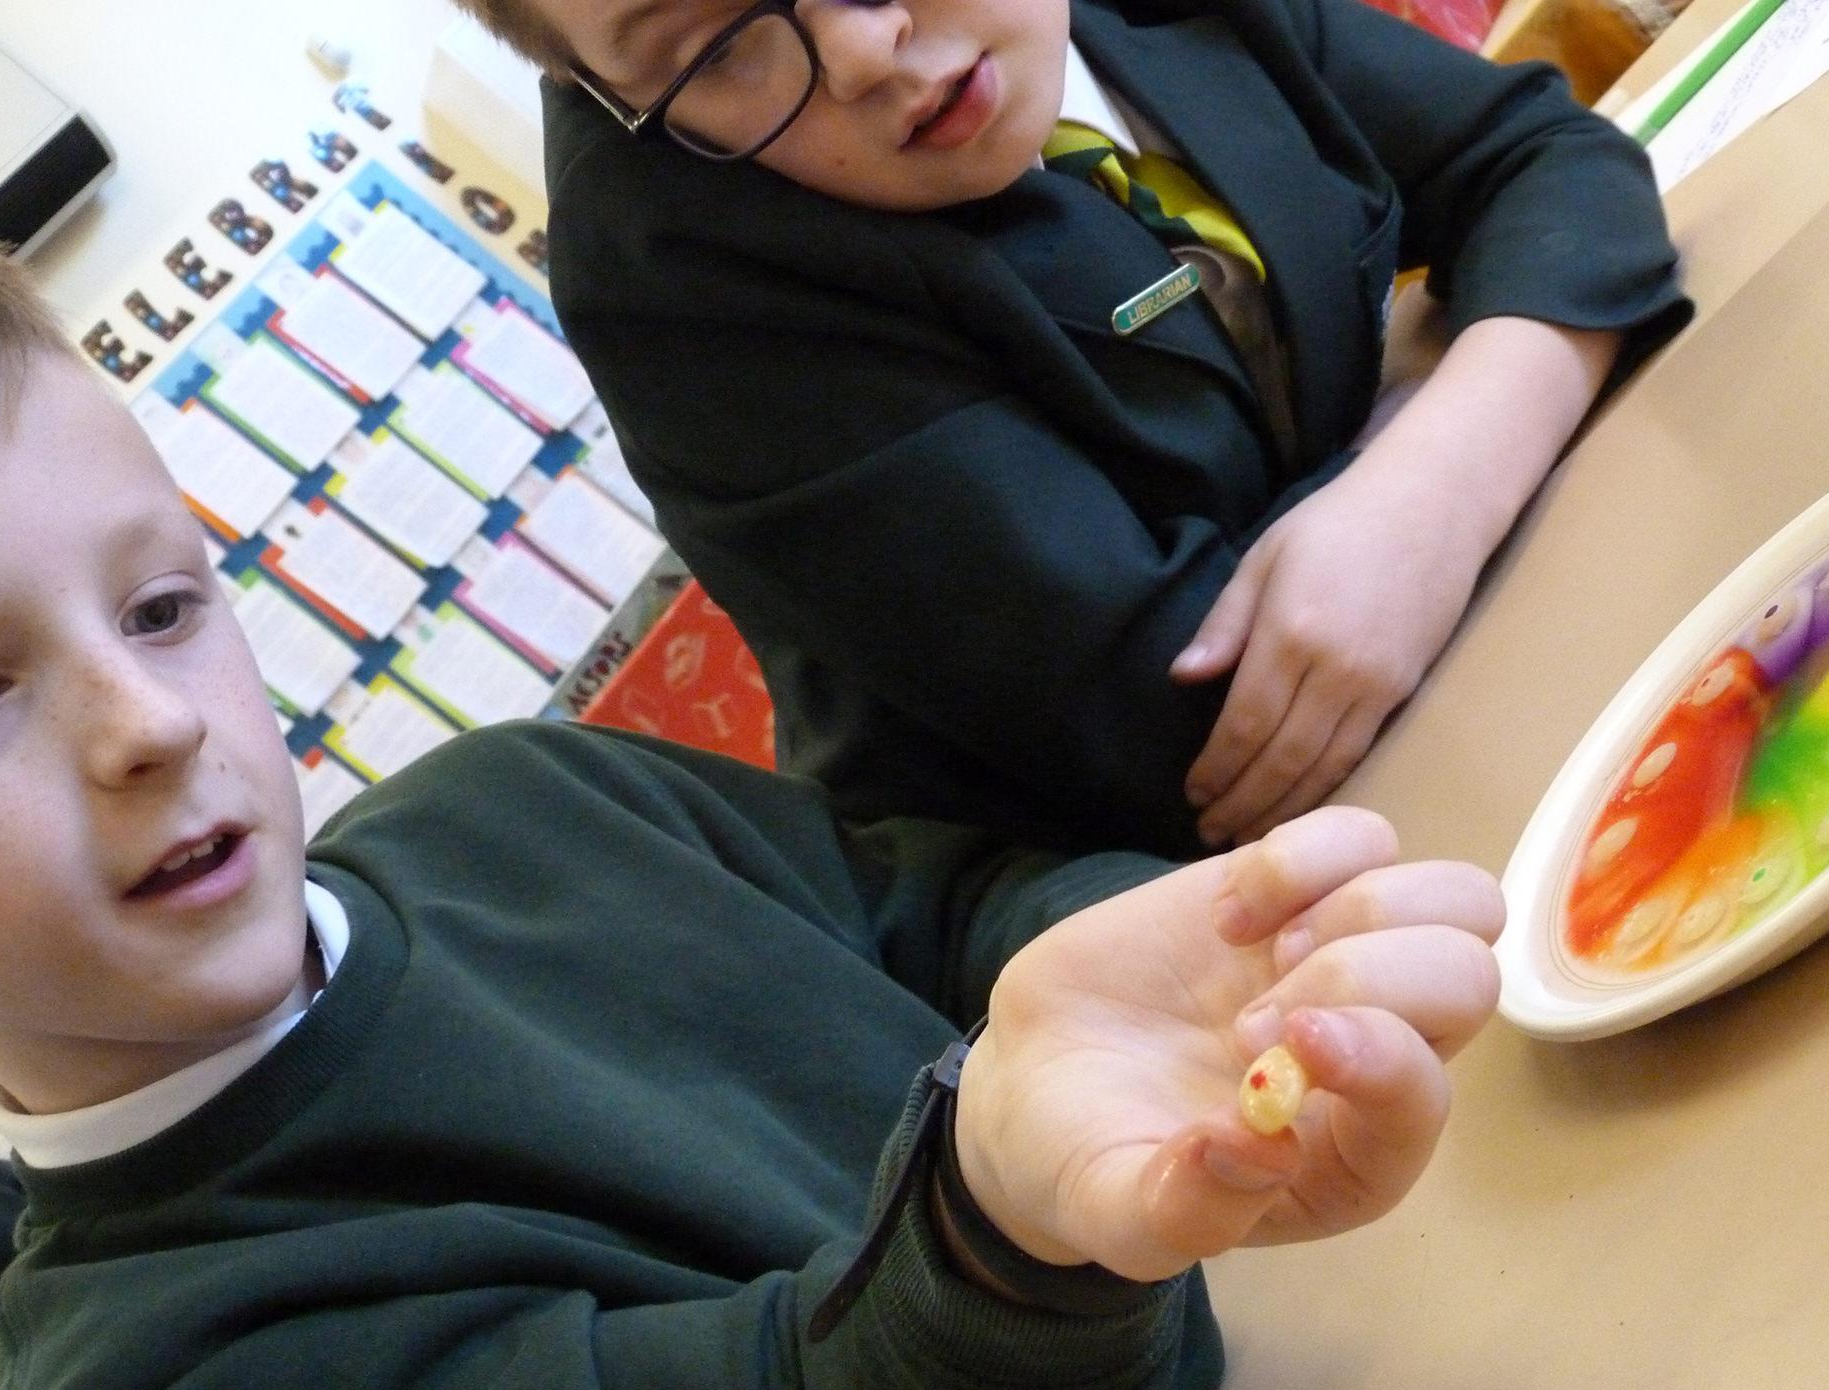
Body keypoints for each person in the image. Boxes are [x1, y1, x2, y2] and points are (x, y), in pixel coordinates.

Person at [0, 247, 1504, 1390]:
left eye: (160, 608)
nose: (150, 724)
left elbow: (946, 911)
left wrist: (1218, 969)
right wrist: (1011, 1231)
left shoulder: (520, 799)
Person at [452, 0, 1690, 857]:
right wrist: (1450, 421)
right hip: (1192, 914)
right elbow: (1207, 724)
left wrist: (1437, 471)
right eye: (719, 46)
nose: (863, 52)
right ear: (604, 93)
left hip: (1525, 645)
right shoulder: (675, 280)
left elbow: (1541, 161)